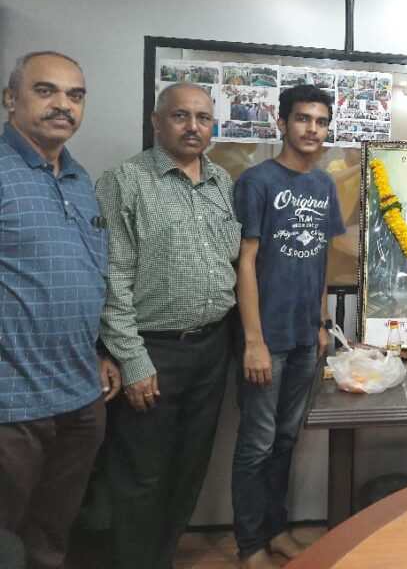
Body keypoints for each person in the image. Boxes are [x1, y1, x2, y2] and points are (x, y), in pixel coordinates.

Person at [97, 82, 241, 569]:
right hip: (152, 351)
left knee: (188, 468)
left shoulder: (222, 183)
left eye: (203, 118)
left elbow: (233, 263)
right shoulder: (125, 181)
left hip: (212, 346)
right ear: (157, 122)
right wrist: (133, 361)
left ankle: (162, 559)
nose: (193, 127)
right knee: (142, 476)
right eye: (181, 116)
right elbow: (112, 278)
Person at [0, 51, 120, 569]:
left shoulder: (79, 180)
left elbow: (85, 275)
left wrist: (98, 351)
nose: (63, 105)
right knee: (5, 536)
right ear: (10, 99)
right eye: (45, 90)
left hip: (79, 395)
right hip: (12, 404)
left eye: (75, 95)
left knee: (51, 536)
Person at [231, 85, 344, 568]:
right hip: (266, 338)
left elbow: (320, 260)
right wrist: (253, 341)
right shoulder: (257, 181)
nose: (311, 129)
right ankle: (250, 545)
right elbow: (245, 261)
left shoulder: (324, 186)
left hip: (304, 336)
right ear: (282, 124)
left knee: (285, 440)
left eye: (320, 121)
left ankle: (276, 530)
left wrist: (322, 323)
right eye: (302, 119)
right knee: (256, 445)